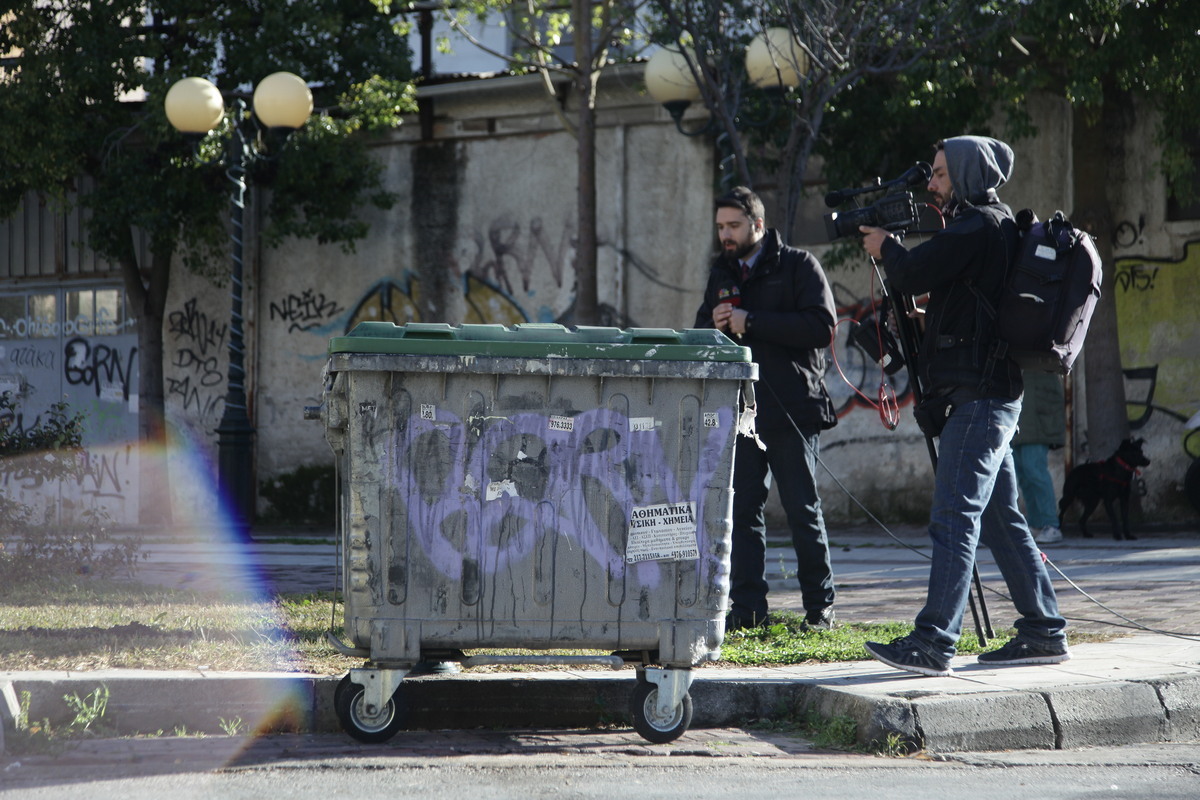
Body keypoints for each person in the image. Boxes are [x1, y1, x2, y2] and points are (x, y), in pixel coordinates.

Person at [858, 136, 1070, 676]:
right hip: (988, 396)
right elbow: (964, 301)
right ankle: (1044, 629)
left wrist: (884, 245)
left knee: (954, 517)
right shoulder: (989, 228)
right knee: (1001, 519)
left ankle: (933, 643)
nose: (931, 184)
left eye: (941, 174)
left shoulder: (978, 225)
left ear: (969, 177)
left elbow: (909, 272)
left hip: (980, 400)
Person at [694, 186, 839, 632]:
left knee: (801, 509)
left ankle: (820, 610)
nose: (726, 235)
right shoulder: (722, 273)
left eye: (734, 226)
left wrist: (751, 321)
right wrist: (713, 325)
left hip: (792, 410)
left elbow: (821, 326)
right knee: (741, 511)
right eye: (720, 227)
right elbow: (700, 335)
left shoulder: (797, 265)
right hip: (741, 415)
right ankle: (748, 610)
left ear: (758, 225)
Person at [1013, 371, 1066, 545]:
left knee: (1033, 469)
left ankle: (1051, 525)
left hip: (1036, 409)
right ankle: (1036, 524)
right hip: (1020, 411)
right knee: (1023, 473)